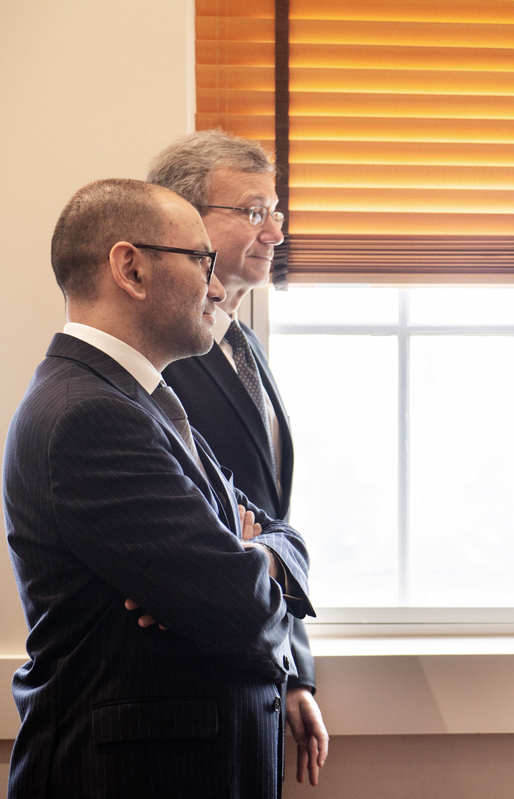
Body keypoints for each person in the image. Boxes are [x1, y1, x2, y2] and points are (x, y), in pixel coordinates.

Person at [3, 178, 314, 798]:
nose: (217, 287)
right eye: (201, 261)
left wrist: (258, 555)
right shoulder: (90, 415)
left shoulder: (141, 399)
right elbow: (239, 610)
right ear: (131, 269)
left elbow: (280, 533)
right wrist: (240, 570)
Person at [149, 130, 329, 785]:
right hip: (184, 695)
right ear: (184, 217)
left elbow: (270, 523)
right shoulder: (159, 355)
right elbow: (196, 544)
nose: (275, 232)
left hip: (257, 679)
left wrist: (293, 671)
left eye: (276, 212)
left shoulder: (242, 342)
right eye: (254, 212)